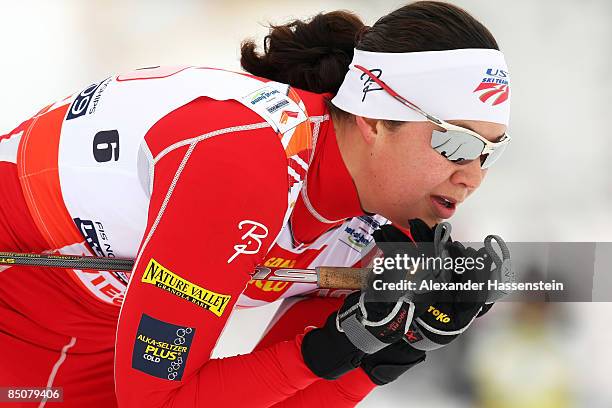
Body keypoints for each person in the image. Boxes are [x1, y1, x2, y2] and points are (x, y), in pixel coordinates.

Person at [0, 1, 511, 407]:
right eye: (456, 143)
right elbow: (160, 401)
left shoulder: (380, 230)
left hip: (88, 328)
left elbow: (276, 395)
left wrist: (386, 348)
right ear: (373, 119)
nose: (472, 177)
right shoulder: (246, 165)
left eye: (490, 152)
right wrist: (333, 346)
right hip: (17, 284)